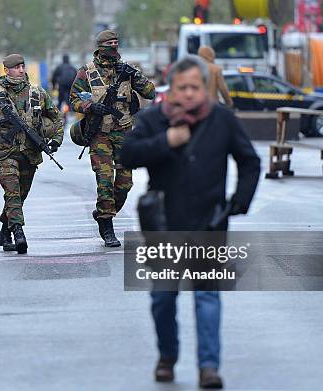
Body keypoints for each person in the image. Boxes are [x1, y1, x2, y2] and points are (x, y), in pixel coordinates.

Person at [121, 55, 260, 389]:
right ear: (172, 88)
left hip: (208, 223)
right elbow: (126, 155)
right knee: (163, 297)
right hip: (164, 224)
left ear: (204, 88)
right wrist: (166, 142)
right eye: (181, 87)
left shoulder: (222, 120)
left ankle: (208, 367)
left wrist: (238, 202)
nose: (188, 94)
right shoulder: (154, 119)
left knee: (207, 296)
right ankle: (167, 357)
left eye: (194, 87)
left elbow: (249, 161)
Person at [0, 54, 63, 254]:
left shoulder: (38, 93)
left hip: (30, 153)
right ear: (7, 70)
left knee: (20, 196)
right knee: (12, 192)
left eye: (23, 66)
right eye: (16, 67)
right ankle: (19, 233)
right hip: (3, 153)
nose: (21, 70)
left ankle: (5, 231)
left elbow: (56, 118)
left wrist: (56, 140)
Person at [70, 29, 155, 247]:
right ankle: (107, 226)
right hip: (100, 135)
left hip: (124, 132)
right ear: (100, 46)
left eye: (117, 43)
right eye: (110, 43)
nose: (114, 47)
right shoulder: (86, 73)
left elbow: (150, 92)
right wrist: (90, 106)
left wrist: (134, 75)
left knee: (125, 184)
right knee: (105, 181)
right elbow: (74, 100)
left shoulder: (127, 71)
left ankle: (103, 212)